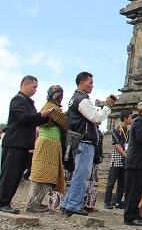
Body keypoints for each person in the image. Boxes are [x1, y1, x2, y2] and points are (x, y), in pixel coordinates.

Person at [63, 72, 114, 217]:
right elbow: (96, 117)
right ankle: (73, 205)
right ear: (81, 83)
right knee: (81, 174)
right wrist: (108, 106)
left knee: (78, 174)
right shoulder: (82, 100)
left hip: (78, 140)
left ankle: (68, 203)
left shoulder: (74, 98)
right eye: (90, 82)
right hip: (84, 141)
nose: (92, 85)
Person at [0, 76, 53, 214]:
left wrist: (46, 118)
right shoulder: (18, 100)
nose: (36, 89)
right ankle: (2, 202)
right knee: (9, 175)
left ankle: (6, 201)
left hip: (23, 144)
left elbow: (32, 121)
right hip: (14, 144)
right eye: (34, 86)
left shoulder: (29, 102)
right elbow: (23, 118)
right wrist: (41, 114)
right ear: (25, 84)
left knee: (17, 176)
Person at [25, 85, 68, 213]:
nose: (61, 98)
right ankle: (33, 204)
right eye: (60, 96)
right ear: (57, 96)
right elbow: (65, 124)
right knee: (44, 175)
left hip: (48, 143)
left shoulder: (49, 106)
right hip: (48, 144)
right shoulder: (53, 108)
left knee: (42, 174)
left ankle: (34, 202)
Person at [104, 110, 131, 209]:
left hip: (125, 158)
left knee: (122, 183)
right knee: (111, 182)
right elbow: (116, 145)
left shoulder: (128, 132)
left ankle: (117, 201)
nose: (131, 119)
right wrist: (125, 154)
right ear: (125, 118)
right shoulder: (117, 130)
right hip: (117, 158)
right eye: (130, 117)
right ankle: (107, 201)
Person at [84, 127, 104, 211]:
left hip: (95, 161)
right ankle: (83, 204)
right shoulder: (88, 130)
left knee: (93, 183)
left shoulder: (98, 132)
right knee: (86, 182)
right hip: (88, 159)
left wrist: (100, 155)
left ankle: (90, 205)